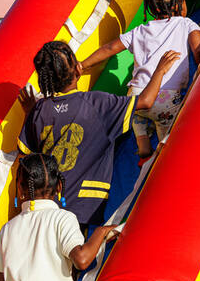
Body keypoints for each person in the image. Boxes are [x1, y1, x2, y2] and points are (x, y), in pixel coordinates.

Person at [17, 40, 179, 227]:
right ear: (77, 69)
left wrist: (30, 113)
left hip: (48, 203)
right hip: (85, 203)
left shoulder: (39, 110)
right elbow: (145, 101)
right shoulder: (96, 103)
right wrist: (159, 71)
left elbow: (26, 155)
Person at [80, 0, 200, 161]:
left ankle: (143, 148)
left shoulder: (140, 30)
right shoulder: (185, 24)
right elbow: (198, 52)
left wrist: (82, 65)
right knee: (166, 136)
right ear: (178, 2)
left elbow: (110, 48)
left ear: (149, 5)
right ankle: (159, 158)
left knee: (140, 119)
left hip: (136, 95)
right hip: (165, 96)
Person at [0, 153, 119, 281]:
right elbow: (82, 260)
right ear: (59, 186)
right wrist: (101, 232)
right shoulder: (63, 219)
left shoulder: (7, 228)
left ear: (20, 188)